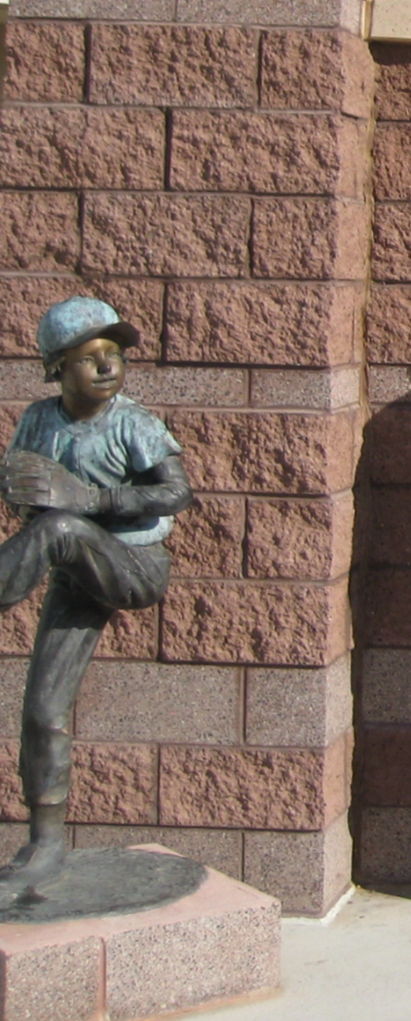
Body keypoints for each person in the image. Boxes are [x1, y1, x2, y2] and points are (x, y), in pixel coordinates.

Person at [0, 296, 191, 893]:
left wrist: (93, 501)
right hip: (73, 568)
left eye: (114, 354)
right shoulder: (38, 419)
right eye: (90, 358)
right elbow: (24, 490)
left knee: (59, 529)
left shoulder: (132, 422)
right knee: (42, 708)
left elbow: (176, 493)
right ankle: (47, 841)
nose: (107, 367)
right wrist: (28, 493)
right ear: (58, 368)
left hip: (132, 565)